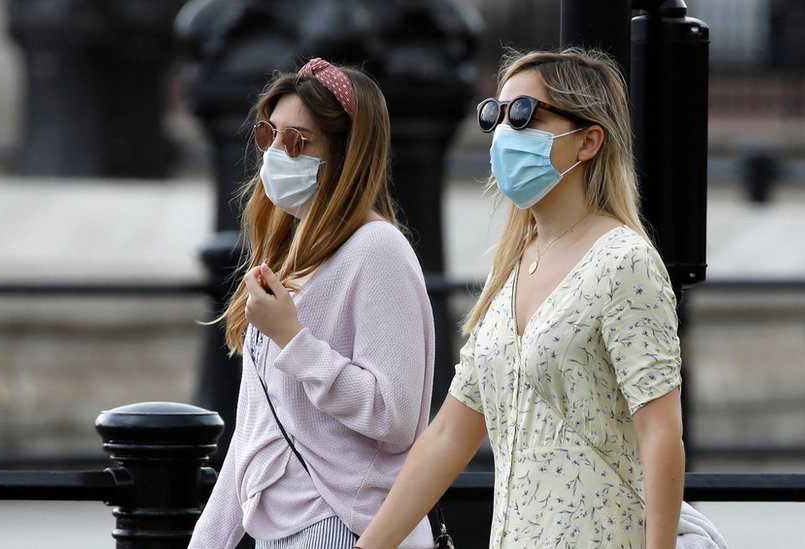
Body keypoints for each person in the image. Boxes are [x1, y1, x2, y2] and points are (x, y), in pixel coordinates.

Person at [355, 47, 685, 549]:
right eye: (497, 114)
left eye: (526, 114)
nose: (506, 131)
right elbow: (448, 437)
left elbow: (661, 433)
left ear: (588, 141)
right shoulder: (512, 266)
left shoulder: (624, 261)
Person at [188, 58, 435, 549]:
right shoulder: (286, 252)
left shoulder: (377, 250)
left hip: (343, 523)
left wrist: (293, 340)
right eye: (270, 134)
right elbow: (256, 433)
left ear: (346, 154)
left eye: (298, 140)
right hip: (279, 529)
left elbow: (395, 414)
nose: (277, 153)